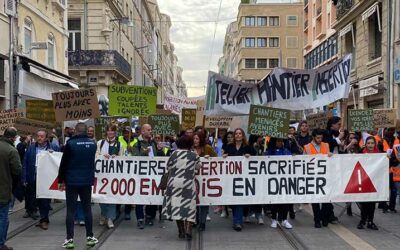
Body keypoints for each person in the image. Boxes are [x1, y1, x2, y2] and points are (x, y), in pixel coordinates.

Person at [58, 123, 98, 249]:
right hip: (86, 181)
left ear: (75, 131)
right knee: (87, 209)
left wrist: (60, 180)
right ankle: (90, 237)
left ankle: (69, 239)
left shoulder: (70, 144)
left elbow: (63, 164)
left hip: (72, 181)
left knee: (70, 210)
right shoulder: (93, 144)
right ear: (86, 131)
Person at [162, 135, 201, 240]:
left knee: (176, 206)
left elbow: (168, 166)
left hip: (174, 183)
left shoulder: (174, 154)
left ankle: (181, 231)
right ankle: (188, 229)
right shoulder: (193, 155)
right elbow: (198, 167)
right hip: (188, 183)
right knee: (189, 206)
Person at [22, 129, 60, 229]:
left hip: (47, 178)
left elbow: (59, 161)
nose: (39, 138)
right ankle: (42, 217)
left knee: (44, 199)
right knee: (35, 198)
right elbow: (25, 163)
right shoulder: (31, 148)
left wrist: (53, 154)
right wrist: (24, 178)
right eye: (38, 136)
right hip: (34, 177)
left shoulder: (54, 147)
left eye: (41, 136)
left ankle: (44, 220)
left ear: (46, 137)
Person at [223, 128, 256, 231]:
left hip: (243, 178)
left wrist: (250, 156)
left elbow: (256, 159)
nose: (238, 135)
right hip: (231, 178)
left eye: (239, 133)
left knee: (240, 200)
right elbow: (223, 159)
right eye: (236, 133)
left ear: (242, 135)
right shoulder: (229, 146)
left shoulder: (248, 147)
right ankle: (237, 218)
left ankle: (237, 222)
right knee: (233, 201)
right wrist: (224, 156)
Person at [134, 124, 164, 226]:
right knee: (140, 196)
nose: (151, 131)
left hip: (152, 174)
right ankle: (140, 218)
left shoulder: (154, 143)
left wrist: (160, 150)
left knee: (152, 195)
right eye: (149, 130)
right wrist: (144, 153)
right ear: (142, 132)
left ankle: (149, 216)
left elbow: (161, 159)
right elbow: (134, 159)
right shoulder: (137, 144)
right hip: (141, 175)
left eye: (151, 130)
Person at [96, 124, 123, 229]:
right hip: (101, 175)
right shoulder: (100, 143)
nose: (110, 133)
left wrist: (116, 158)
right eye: (108, 131)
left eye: (112, 131)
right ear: (106, 132)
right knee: (101, 196)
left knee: (112, 197)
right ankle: (104, 214)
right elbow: (95, 155)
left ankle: (110, 218)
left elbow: (123, 159)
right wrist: (103, 156)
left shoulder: (120, 145)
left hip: (113, 175)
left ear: (115, 132)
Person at [304, 129, 332, 228]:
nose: (320, 139)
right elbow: (304, 161)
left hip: (325, 176)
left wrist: (330, 155)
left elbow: (330, 158)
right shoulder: (307, 148)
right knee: (315, 200)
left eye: (321, 138)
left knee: (326, 200)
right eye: (318, 138)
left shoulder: (326, 145)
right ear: (313, 137)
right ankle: (317, 219)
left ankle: (324, 218)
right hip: (313, 176)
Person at [0, 127, 22, 250]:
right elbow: (17, 170)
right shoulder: (11, 150)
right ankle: (1, 244)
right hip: (3, 189)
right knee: (3, 217)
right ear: (13, 138)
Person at [265, 138, 293, 229]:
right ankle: (274, 219)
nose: (280, 143)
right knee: (275, 201)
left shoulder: (286, 151)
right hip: (273, 180)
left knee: (285, 201)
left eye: (281, 141)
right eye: (278, 141)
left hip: (285, 180)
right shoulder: (270, 151)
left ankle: (284, 219)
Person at [192, 132, 217, 231]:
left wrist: (209, 159)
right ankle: (195, 220)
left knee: (204, 201)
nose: (195, 141)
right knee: (194, 201)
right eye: (194, 139)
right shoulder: (189, 149)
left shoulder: (208, 148)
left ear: (201, 139)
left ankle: (202, 222)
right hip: (193, 179)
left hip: (205, 180)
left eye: (197, 139)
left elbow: (217, 160)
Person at [357, 136, 379, 230]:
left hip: (374, 182)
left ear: (375, 144)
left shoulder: (380, 154)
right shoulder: (361, 153)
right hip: (363, 181)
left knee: (372, 203)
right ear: (365, 144)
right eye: (368, 143)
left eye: (372, 143)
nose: (370, 145)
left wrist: (388, 158)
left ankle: (370, 221)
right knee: (364, 203)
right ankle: (362, 220)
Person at [117, 126, 138, 220]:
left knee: (129, 189)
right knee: (118, 189)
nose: (126, 134)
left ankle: (127, 211)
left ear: (132, 134)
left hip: (131, 168)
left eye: (128, 133)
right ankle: (117, 209)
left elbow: (139, 154)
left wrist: (132, 150)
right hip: (120, 168)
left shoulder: (136, 142)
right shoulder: (119, 139)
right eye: (125, 132)